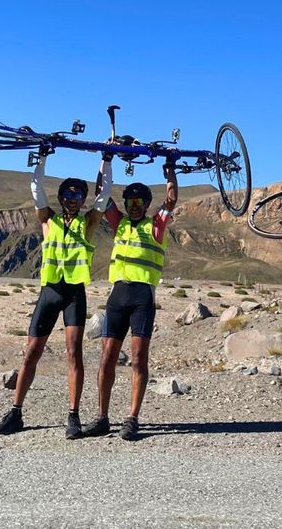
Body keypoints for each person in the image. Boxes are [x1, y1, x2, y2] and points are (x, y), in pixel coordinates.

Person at [0, 147, 107, 438]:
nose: (72, 199)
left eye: (77, 195)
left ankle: (73, 416)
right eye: (67, 195)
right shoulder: (47, 219)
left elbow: (104, 194)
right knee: (31, 352)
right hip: (49, 292)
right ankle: (16, 412)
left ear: (83, 200)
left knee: (73, 353)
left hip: (73, 295)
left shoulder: (88, 222)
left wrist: (106, 160)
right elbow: (36, 189)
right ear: (61, 197)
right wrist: (42, 158)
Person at [79, 156, 178, 440]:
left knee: (137, 359)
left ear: (147, 205)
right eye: (129, 202)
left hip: (142, 298)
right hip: (117, 296)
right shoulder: (119, 223)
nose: (133, 207)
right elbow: (102, 193)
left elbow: (170, 201)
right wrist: (105, 160)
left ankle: (132, 418)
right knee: (107, 357)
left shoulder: (155, 226)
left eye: (139, 202)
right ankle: (101, 417)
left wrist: (169, 170)